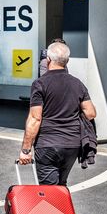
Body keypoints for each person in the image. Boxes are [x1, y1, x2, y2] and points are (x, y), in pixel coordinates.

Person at [18, 41, 96, 186]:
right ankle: (62, 208)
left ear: (48, 59)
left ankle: (54, 208)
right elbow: (91, 113)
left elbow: (35, 118)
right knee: (61, 184)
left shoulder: (40, 84)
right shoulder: (77, 83)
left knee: (49, 191)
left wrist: (26, 150)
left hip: (48, 145)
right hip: (72, 145)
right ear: (67, 61)